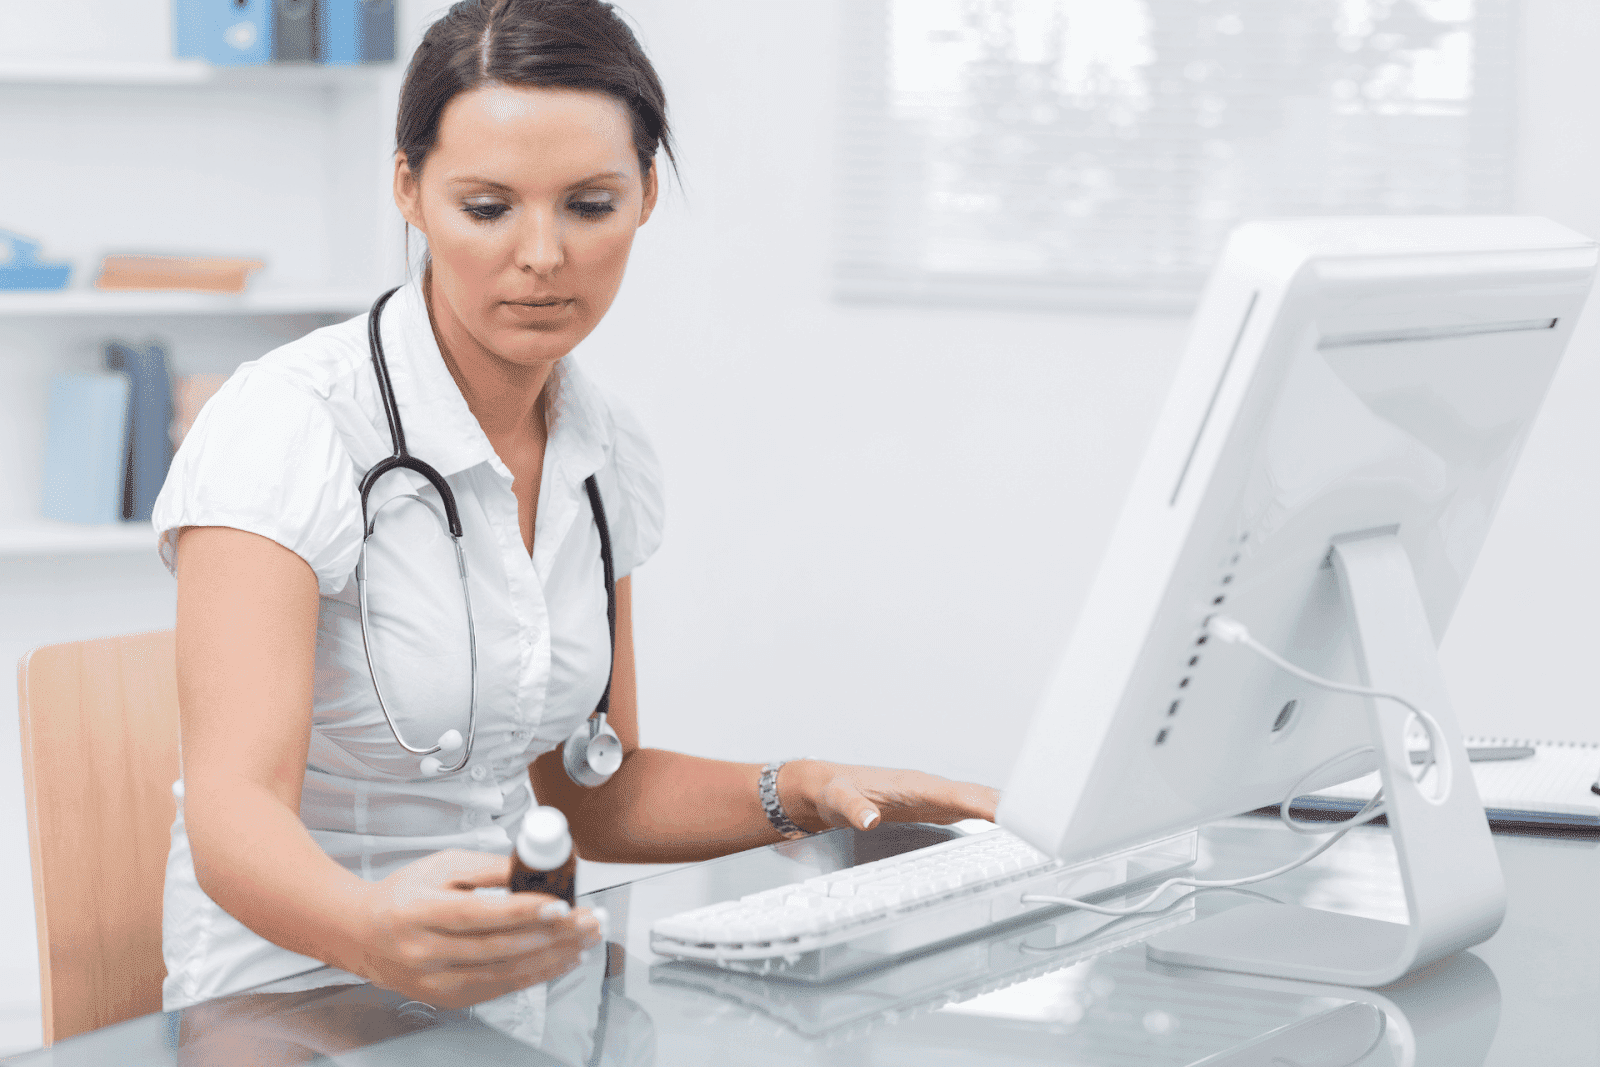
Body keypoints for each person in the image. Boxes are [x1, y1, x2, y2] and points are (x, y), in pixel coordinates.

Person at [155, 0, 1000, 1015]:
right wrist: (372, 929)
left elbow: (592, 791)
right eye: (487, 206)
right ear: (409, 192)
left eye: (588, 204)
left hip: (512, 989)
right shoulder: (287, 423)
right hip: (291, 995)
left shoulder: (605, 453)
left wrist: (801, 790)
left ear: (645, 195)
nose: (543, 253)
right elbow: (231, 813)